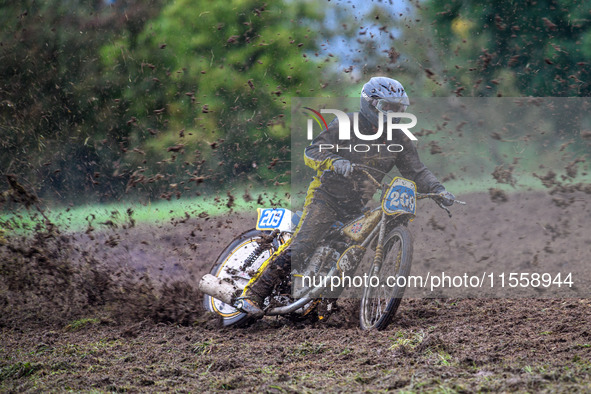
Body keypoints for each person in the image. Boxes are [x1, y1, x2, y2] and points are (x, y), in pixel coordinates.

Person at [236, 76, 455, 317]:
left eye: (398, 110)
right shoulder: (345, 124)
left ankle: (320, 305)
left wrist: (438, 190)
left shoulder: (399, 138)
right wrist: (335, 161)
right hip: (326, 196)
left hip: (357, 206)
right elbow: (312, 151)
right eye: (386, 108)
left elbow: (416, 170)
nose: (392, 115)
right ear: (369, 104)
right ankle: (254, 294)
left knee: (352, 254)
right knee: (305, 243)